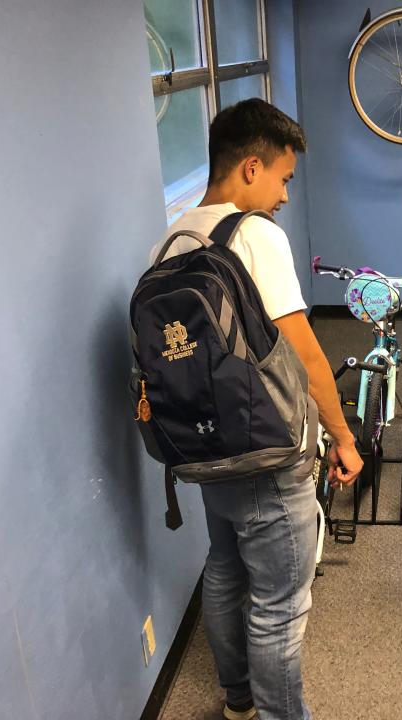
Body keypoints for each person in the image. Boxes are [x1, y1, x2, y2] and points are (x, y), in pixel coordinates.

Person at [149, 99, 362, 719]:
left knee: (223, 567)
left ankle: (238, 700)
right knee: (278, 608)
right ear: (250, 168)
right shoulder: (256, 235)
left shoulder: (175, 233)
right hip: (267, 450)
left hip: (202, 446)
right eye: (283, 178)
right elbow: (308, 355)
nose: (285, 196)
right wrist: (344, 438)